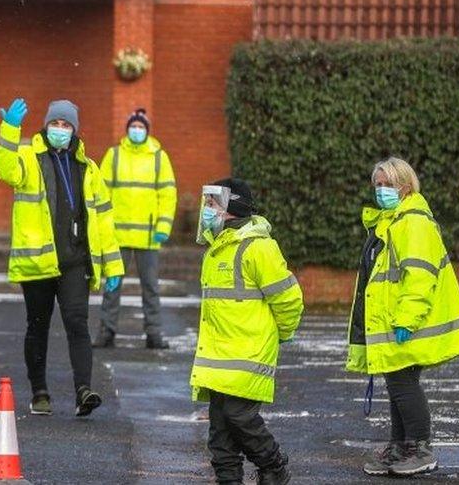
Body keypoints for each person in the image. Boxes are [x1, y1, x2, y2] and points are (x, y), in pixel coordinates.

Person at [0, 97, 125, 418]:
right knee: (37, 326)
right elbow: (4, 170)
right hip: (38, 263)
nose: (60, 130)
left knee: (78, 325)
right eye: (55, 124)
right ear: (46, 125)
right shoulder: (28, 157)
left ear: (75, 130)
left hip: (75, 261)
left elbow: (103, 219)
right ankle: (39, 392)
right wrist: (9, 129)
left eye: (66, 125)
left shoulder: (88, 168)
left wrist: (114, 264)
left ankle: (84, 390)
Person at [348, 157, 459, 476]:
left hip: (405, 323)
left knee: (403, 385)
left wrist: (407, 319)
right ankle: (400, 446)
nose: (381, 191)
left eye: (387, 185)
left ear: (405, 187)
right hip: (391, 323)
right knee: (397, 385)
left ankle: (419, 447)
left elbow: (419, 276)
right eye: (377, 185)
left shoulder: (413, 222)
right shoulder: (391, 222)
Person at [190, 178, 303, 485]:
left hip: (248, 353)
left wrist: (285, 331)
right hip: (217, 356)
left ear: (232, 208)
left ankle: (274, 464)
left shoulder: (259, 248)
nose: (207, 210)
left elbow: (288, 297)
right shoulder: (215, 250)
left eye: (213, 204)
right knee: (220, 430)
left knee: (239, 417)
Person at [93, 108, 177, 350]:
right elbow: (101, 193)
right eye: (134, 126)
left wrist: (163, 226)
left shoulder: (159, 157)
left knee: (150, 287)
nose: (137, 130)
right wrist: (102, 228)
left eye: (141, 127)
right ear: (127, 128)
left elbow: (167, 194)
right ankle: (106, 333)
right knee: (112, 286)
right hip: (117, 237)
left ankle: (154, 334)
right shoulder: (114, 155)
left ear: (147, 131)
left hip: (149, 236)